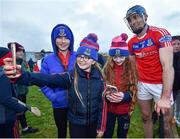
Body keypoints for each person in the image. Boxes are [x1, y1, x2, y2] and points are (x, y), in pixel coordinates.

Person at [3, 33, 107, 138]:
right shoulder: (70, 77)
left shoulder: (101, 79)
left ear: (93, 60)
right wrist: (21, 76)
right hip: (76, 123)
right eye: (80, 56)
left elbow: (102, 104)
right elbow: (47, 79)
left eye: (87, 57)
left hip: (93, 123)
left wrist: (101, 126)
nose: (82, 60)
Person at [124, 5, 174, 138]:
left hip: (161, 84)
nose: (133, 22)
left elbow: (168, 67)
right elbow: (134, 67)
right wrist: (135, 85)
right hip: (143, 84)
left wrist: (165, 97)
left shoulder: (160, 34)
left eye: (136, 17)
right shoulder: (131, 43)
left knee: (167, 123)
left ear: (145, 17)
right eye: (130, 20)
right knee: (146, 117)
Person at [40, 24, 76, 138]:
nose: (63, 41)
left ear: (71, 40)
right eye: (59, 38)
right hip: (59, 105)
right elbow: (42, 81)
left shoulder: (78, 56)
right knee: (62, 132)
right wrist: (53, 97)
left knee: (77, 132)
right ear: (54, 39)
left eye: (66, 38)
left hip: (77, 104)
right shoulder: (47, 60)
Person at [103, 33, 137, 138]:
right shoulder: (107, 68)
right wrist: (106, 95)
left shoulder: (132, 68)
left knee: (122, 135)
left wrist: (125, 96)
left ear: (126, 55)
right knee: (107, 134)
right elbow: (102, 86)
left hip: (124, 110)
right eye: (114, 57)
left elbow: (135, 89)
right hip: (109, 109)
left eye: (121, 56)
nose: (118, 60)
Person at [8, 42, 39, 135]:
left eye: (22, 51)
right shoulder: (12, 63)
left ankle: (24, 128)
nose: (21, 53)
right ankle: (17, 131)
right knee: (19, 111)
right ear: (13, 52)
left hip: (22, 91)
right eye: (18, 51)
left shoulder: (21, 62)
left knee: (21, 110)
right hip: (16, 92)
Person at [0, 47, 28, 138]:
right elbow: (6, 99)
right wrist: (22, 108)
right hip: (6, 118)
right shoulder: (4, 75)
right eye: (10, 59)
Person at [172, 36, 180, 126]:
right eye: (174, 44)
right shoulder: (168, 56)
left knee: (179, 104)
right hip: (172, 86)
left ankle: (177, 118)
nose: (176, 46)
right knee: (172, 103)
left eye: (178, 44)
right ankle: (172, 117)